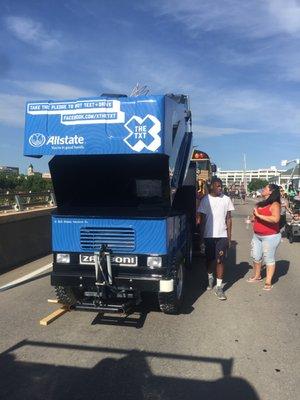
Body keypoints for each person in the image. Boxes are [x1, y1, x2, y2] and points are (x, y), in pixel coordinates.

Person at [197, 177, 234, 300]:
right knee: (209, 260)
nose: (220, 188)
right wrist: (201, 239)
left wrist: (229, 238)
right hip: (208, 236)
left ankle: (219, 287)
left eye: (221, 186)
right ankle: (210, 277)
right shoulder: (205, 200)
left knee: (220, 260)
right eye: (217, 186)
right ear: (212, 186)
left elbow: (228, 219)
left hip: (222, 236)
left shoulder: (226, 199)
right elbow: (201, 221)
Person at [247, 184, 281, 290]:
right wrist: (252, 220)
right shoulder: (260, 204)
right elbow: (256, 218)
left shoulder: (275, 204)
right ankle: (257, 276)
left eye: (265, 188)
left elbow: (275, 219)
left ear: (271, 191)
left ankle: (268, 281)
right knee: (256, 257)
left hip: (270, 236)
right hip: (257, 235)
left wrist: (258, 215)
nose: (263, 189)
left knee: (269, 259)